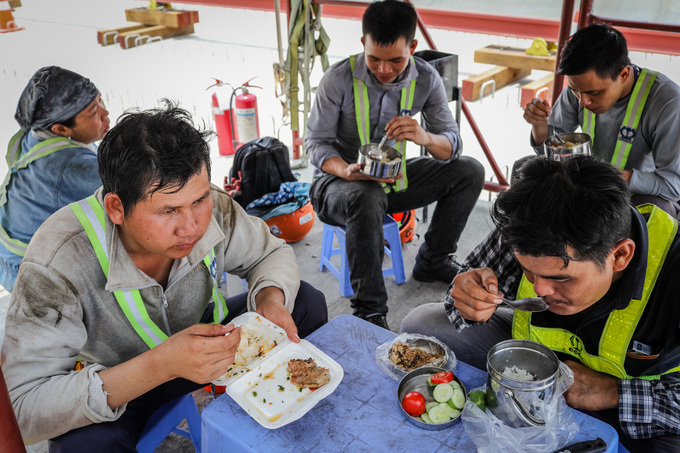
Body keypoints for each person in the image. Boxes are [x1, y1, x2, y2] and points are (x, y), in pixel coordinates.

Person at [0, 101, 328, 451]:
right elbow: (23, 406)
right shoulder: (58, 261)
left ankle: (269, 424)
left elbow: (270, 252)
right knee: (84, 447)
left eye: (199, 200)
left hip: (215, 344)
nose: (193, 226)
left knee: (305, 302)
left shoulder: (211, 205)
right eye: (168, 210)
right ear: (116, 208)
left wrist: (270, 299)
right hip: (124, 379)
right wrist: (161, 365)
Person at [401, 155, 680, 452]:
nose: (539, 289)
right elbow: (458, 297)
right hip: (534, 366)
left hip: (634, 398)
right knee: (421, 326)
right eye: (528, 271)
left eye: (561, 279)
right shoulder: (528, 228)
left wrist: (613, 392)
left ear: (620, 256)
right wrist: (467, 297)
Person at [305, 0, 485, 330]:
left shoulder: (427, 78)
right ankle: (370, 311)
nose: (384, 69)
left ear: (413, 48)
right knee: (365, 194)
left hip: (392, 182)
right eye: (375, 58)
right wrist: (344, 170)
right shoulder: (338, 79)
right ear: (363, 44)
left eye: (396, 60)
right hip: (336, 184)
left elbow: (452, 146)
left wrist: (424, 137)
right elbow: (315, 144)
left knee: (470, 171)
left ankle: (433, 260)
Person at [523, 23, 680, 218]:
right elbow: (552, 153)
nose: (583, 101)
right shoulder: (580, 89)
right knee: (525, 170)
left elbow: (673, 186)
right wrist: (539, 125)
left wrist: (606, 176)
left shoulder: (667, 101)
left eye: (594, 92)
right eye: (574, 91)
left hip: (633, 196)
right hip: (584, 185)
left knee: (656, 209)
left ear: (624, 74)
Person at [0, 66, 109, 292]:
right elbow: (136, 198)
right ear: (61, 128)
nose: (105, 113)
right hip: (29, 272)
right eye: (92, 112)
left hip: (9, 254)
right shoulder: (72, 166)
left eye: (101, 101)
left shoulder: (40, 132)